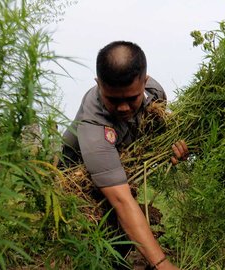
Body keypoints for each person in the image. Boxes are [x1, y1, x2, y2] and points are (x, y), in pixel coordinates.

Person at [62, 41, 188, 270]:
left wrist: (175, 148)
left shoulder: (155, 93)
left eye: (132, 98)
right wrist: (163, 264)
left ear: (145, 82)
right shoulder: (93, 127)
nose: (123, 108)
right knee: (99, 236)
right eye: (113, 100)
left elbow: (156, 133)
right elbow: (121, 200)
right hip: (75, 174)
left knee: (119, 240)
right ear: (98, 84)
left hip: (118, 161)